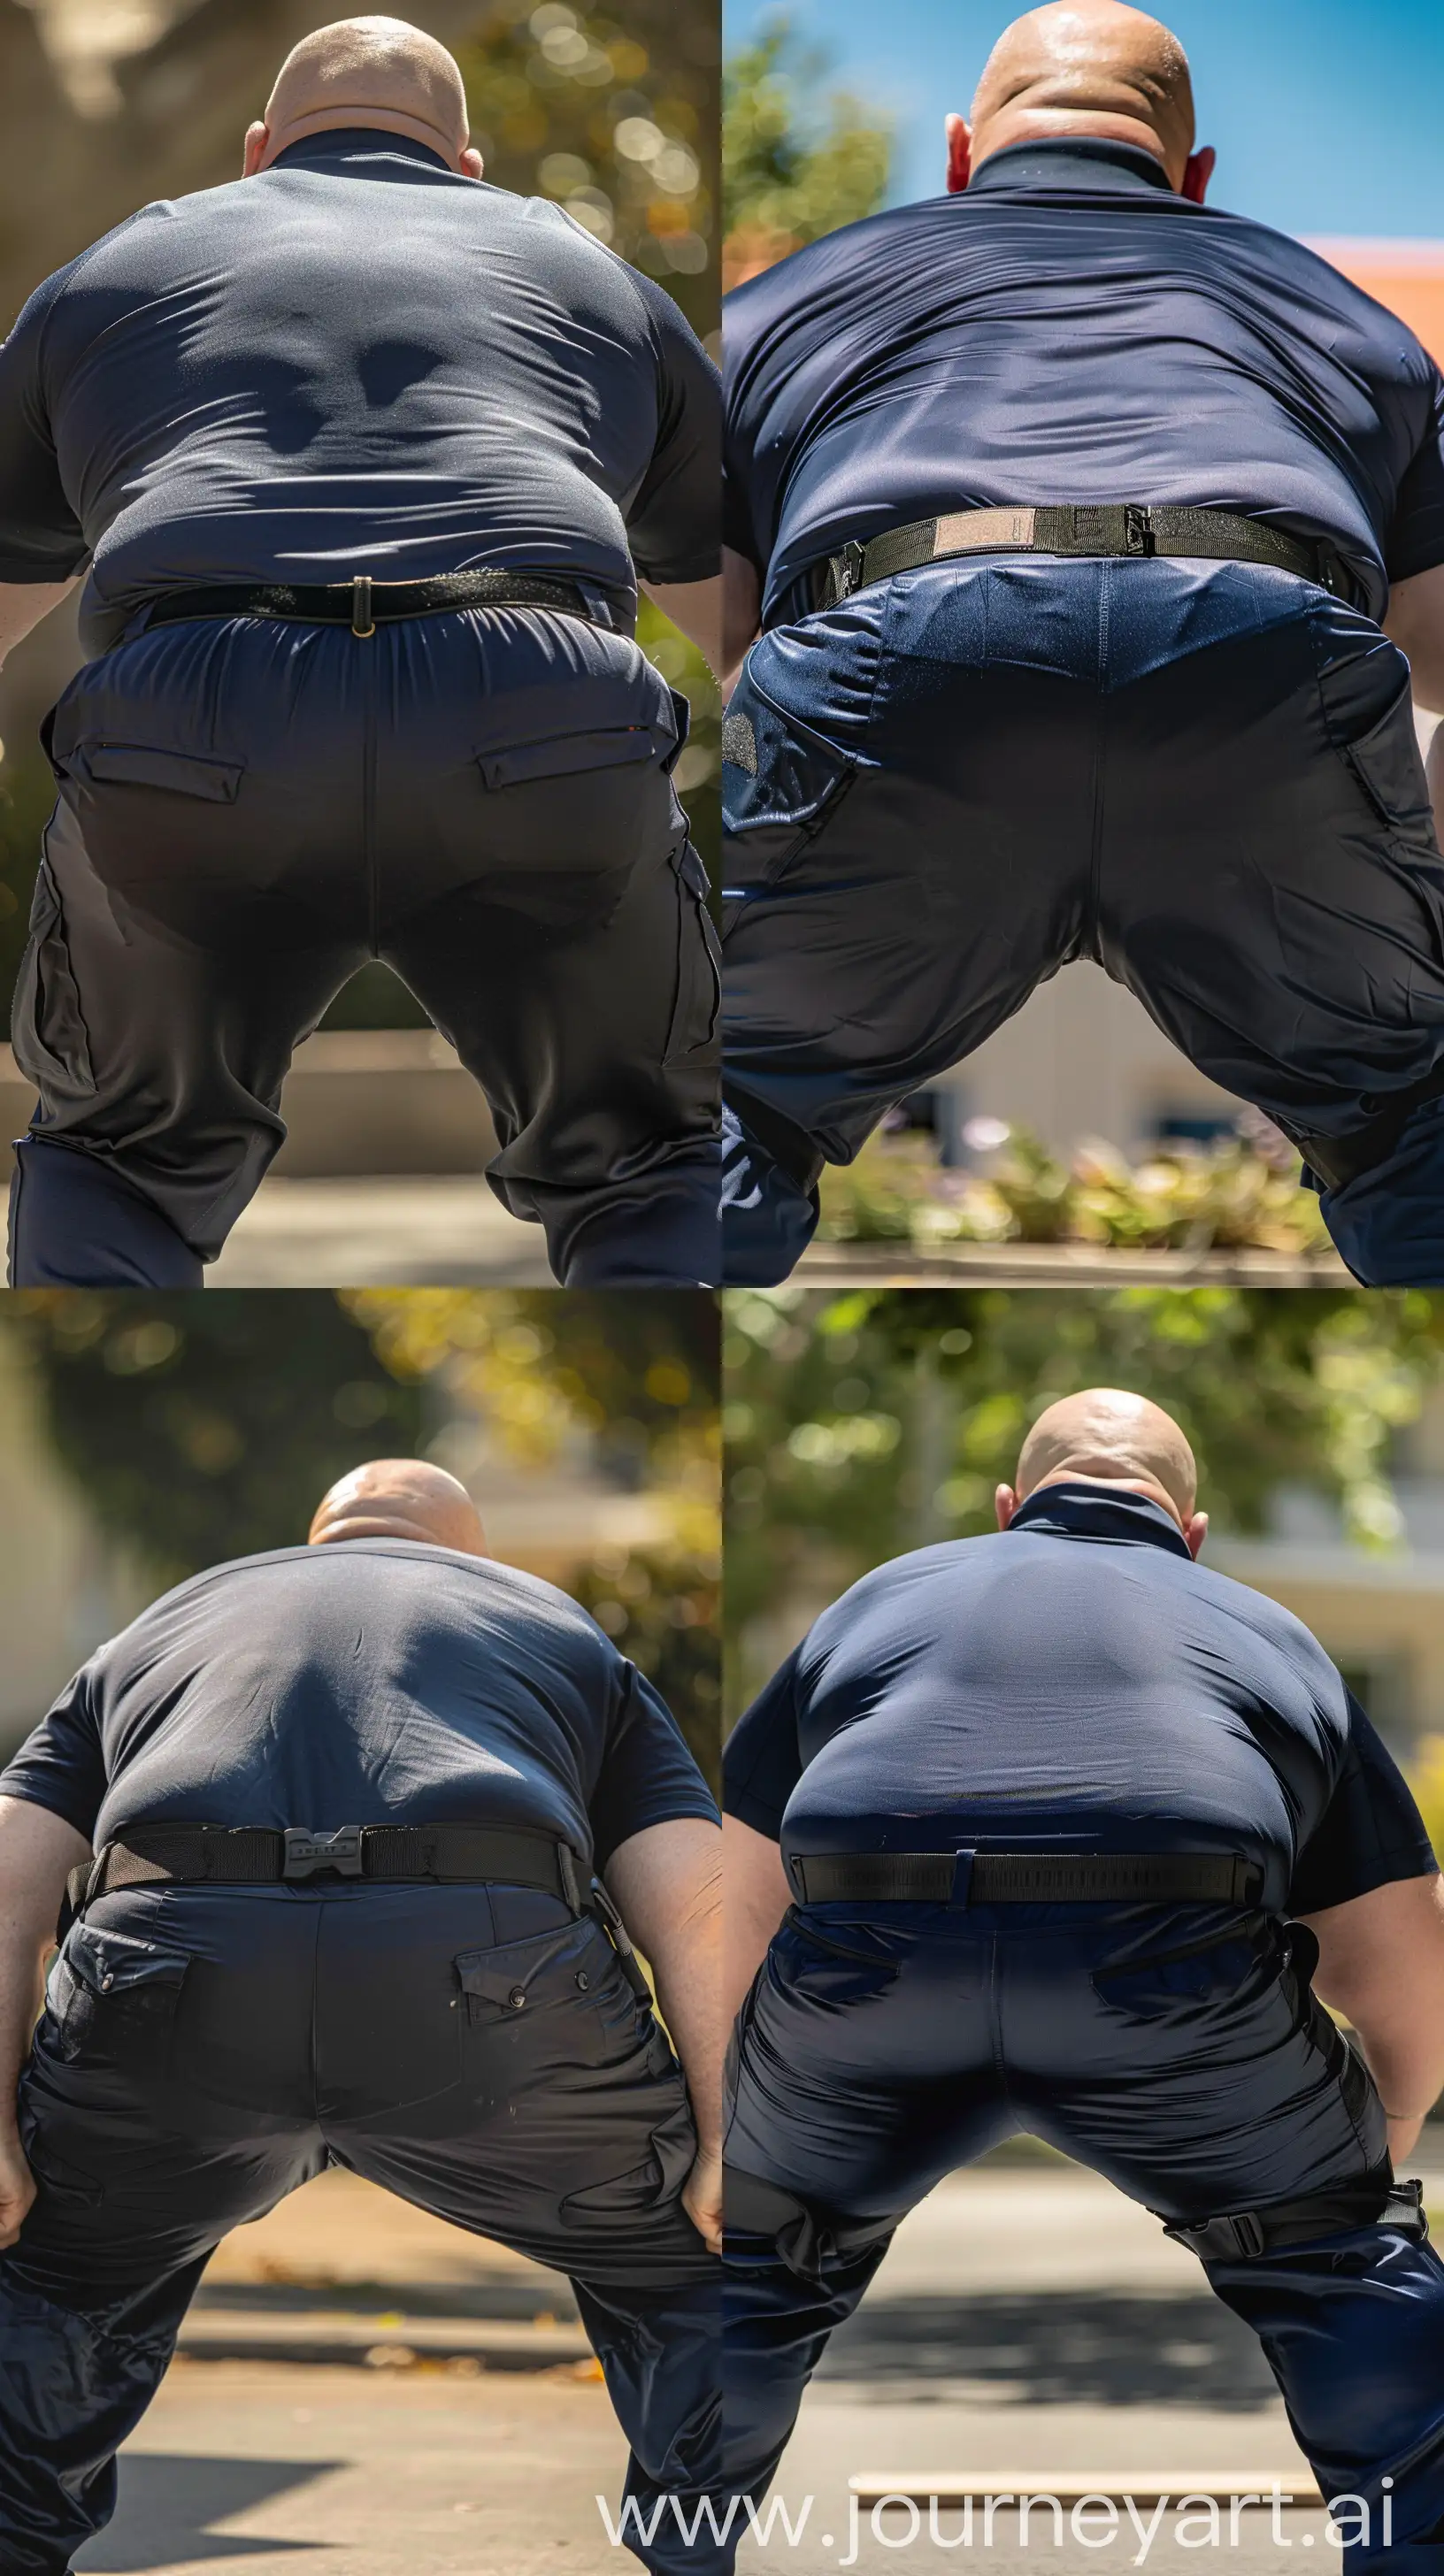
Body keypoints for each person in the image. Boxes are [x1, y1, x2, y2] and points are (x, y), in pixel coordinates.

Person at [721, 0, 1444, 1287]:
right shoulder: (1354, 322)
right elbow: (1441, 653)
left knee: (723, 1110)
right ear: (1195, 178)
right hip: (1264, 652)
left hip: (906, 643)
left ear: (960, 153)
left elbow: (720, 625)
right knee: (1410, 1129)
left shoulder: (795, 296)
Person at [0, 16, 721, 1292]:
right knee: (649, 1166)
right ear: (470, 165)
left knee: (117, 1164)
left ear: (257, 150)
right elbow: (733, 615)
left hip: (196, 716)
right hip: (538, 712)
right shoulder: (590, 272)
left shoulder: (123, 265)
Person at [722, 1392, 1444, 2570]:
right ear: (1191, 1530)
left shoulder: (877, 1600)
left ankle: (672, 2536)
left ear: (1012, 1511)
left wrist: (747, 2152)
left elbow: (735, 1903)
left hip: (866, 1956)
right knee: (1348, 2285)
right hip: (1169, 1959)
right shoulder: (1266, 1631)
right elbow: (1399, 1956)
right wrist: (1359, 2174)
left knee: (751, 2269)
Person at [0, 1460, 724, 2576]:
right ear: (467, 1559)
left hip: (172, 1973)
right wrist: (727, 2145)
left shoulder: (168, 1621)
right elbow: (693, 1900)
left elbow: (8, 1879)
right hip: (488, 1980)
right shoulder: (553, 1626)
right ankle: (693, 2553)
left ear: (313, 1540)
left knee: (53, 2283)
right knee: (698, 2278)